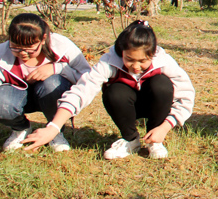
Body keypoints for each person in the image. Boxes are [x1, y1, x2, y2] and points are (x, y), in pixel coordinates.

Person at [22, 21, 195, 160]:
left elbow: (186, 95)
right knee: (114, 91)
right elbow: (83, 90)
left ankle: (154, 141)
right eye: (129, 59)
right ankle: (130, 140)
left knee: (162, 85)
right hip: (126, 106)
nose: (136, 66)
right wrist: (53, 127)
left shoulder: (164, 62)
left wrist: (166, 126)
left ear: (153, 54)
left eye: (143, 61)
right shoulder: (109, 62)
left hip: (155, 104)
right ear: (121, 52)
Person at [0, 13, 91, 152]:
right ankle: (20, 129)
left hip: (51, 94)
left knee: (53, 84)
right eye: (16, 47)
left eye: (30, 47)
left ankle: (54, 130)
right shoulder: (1, 53)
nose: (23, 53)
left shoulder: (61, 46)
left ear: (43, 39)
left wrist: (58, 68)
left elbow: (86, 76)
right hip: (16, 96)